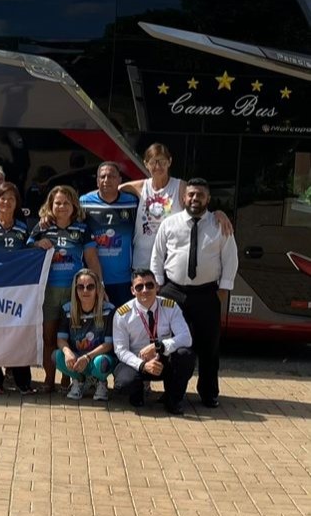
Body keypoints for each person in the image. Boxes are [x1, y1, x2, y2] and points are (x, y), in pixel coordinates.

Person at [150, 178, 238, 408]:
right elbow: (157, 256)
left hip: (206, 293)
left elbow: (230, 260)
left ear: (208, 199)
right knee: (171, 345)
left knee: (209, 347)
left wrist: (222, 290)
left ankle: (209, 393)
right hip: (173, 291)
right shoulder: (170, 223)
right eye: (190, 195)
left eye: (200, 195)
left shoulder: (220, 225)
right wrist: (158, 285)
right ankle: (172, 392)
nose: (194, 199)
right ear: (183, 197)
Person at [28, 185, 102, 392]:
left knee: (71, 337)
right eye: (57, 203)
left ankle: (68, 378)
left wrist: (100, 286)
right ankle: (48, 380)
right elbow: (25, 251)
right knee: (49, 337)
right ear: (50, 205)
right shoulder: (42, 227)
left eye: (66, 203)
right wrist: (36, 243)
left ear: (73, 206)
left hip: (76, 292)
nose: (61, 207)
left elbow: (92, 259)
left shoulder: (82, 228)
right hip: (48, 291)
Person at [0, 181, 37, 394]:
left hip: (18, 291)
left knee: (18, 334)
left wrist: (39, 246)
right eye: (2, 198)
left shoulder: (23, 227)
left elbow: (31, 254)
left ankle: (23, 381)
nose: (6, 202)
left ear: (16, 203)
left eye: (11, 199)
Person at [112, 269, 195, 415]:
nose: (145, 290)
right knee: (124, 383)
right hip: (137, 361)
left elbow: (186, 338)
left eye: (150, 285)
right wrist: (143, 365)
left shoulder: (170, 307)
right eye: (139, 287)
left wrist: (159, 347)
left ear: (157, 286)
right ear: (132, 290)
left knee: (185, 355)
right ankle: (136, 395)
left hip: (163, 360)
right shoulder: (122, 314)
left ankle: (173, 399)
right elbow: (121, 350)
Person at [80, 162, 139, 307]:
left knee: (124, 324)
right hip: (93, 281)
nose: (107, 180)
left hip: (125, 280)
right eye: (103, 176)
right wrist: (46, 219)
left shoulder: (132, 202)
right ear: (97, 181)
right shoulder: (84, 202)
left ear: (119, 180)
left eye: (111, 176)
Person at [54, 269, 116, 401]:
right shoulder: (67, 309)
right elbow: (61, 339)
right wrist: (68, 352)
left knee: (102, 362)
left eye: (90, 286)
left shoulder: (109, 310)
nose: (85, 291)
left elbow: (109, 344)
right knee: (58, 356)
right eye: (80, 287)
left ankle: (100, 382)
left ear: (97, 289)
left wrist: (88, 357)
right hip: (77, 358)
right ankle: (79, 381)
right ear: (75, 290)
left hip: (96, 358)